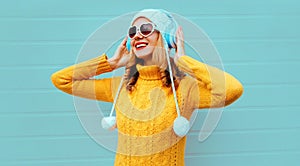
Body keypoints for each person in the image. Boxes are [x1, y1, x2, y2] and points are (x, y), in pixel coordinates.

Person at [51, 9, 243, 166]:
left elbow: (232, 89)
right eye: (133, 32)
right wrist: (111, 63)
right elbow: (62, 80)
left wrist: (183, 60)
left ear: (165, 37)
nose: (138, 35)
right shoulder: (120, 86)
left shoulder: (185, 88)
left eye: (146, 28)